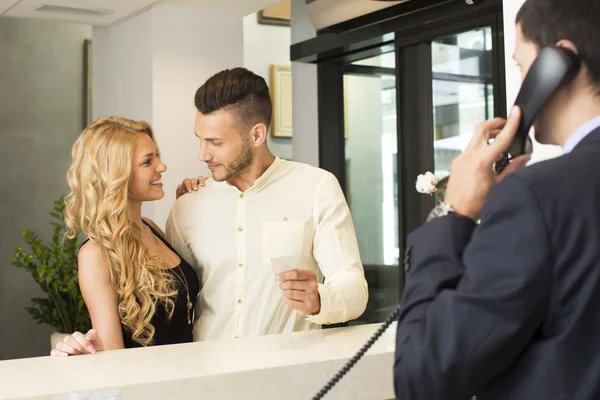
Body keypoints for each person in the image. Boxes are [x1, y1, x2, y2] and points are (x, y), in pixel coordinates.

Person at [54, 67, 368, 353]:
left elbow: (354, 288)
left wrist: (319, 301)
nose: (203, 154)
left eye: (215, 142)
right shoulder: (188, 206)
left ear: (256, 135)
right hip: (201, 383)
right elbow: (170, 298)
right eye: (200, 139)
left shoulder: (316, 188)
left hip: (286, 380)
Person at [394, 0, 600, 398]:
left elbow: (422, 375)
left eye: (522, 66)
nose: (521, 83)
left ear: (560, 64)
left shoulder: (535, 196)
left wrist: (452, 213)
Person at [51, 117, 200, 357]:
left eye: (157, 157)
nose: (161, 167)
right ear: (117, 174)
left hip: (192, 379)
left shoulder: (150, 228)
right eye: (147, 161)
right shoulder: (95, 255)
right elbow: (113, 356)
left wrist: (195, 201)